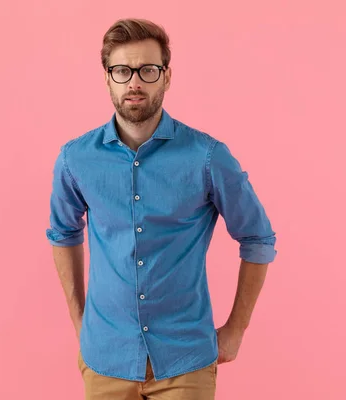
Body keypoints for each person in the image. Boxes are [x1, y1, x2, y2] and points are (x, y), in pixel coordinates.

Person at [46, 18, 277, 400]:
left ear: (166, 78)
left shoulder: (207, 157)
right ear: (107, 78)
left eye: (148, 70)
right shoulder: (75, 159)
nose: (134, 82)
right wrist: (80, 322)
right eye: (122, 70)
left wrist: (236, 330)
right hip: (105, 360)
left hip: (185, 363)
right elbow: (63, 234)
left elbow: (258, 238)